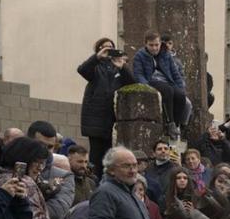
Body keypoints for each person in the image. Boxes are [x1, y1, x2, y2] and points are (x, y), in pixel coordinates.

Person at [77, 37, 134, 175]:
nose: (108, 50)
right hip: (95, 119)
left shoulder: (119, 69)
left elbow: (132, 84)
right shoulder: (95, 67)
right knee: (96, 155)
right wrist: (97, 57)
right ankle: (94, 180)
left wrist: (123, 66)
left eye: (111, 47)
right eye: (105, 47)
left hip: (111, 119)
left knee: (109, 154)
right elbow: (82, 70)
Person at [132, 31, 187, 138]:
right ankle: (170, 122)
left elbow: (175, 73)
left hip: (167, 81)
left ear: (160, 43)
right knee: (167, 91)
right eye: (151, 45)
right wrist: (146, 86)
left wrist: (181, 88)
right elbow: (138, 74)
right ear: (145, 44)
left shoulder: (166, 54)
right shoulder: (139, 56)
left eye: (156, 45)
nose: (154, 48)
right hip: (151, 81)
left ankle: (176, 124)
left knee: (180, 96)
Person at [142, 138, 175, 205]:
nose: (163, 151)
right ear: (154, 153)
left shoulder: (176, 169)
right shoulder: (147, 169)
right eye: (159, 149)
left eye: (166, 149)